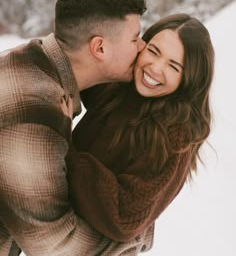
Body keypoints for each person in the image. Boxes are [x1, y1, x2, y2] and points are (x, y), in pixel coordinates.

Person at [0, 0, 152, 256]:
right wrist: (138, 234)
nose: (142, 47)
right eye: (135, 38)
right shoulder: (35, 108)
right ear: (99, 48)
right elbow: (54, 245)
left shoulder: (31, 61)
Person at [66, 13, 215, 247]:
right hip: (57, 230)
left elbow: (124, 216)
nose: (155, 68)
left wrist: (63, 151)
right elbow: (87, 69)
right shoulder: (125, 87)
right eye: (154, 51)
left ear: (189, 80)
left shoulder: (175, 134)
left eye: (173, 66)